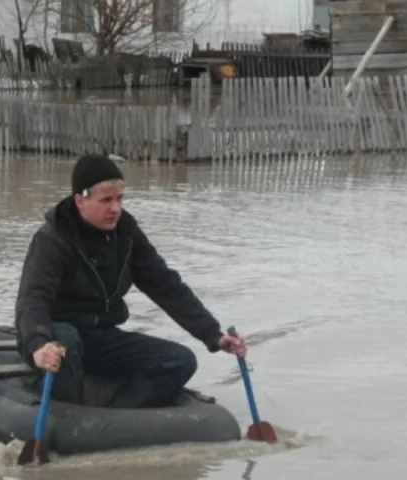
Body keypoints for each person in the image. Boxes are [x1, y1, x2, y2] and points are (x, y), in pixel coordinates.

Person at [13, 153, 247, 408]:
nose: (115, 208)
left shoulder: (127, 233)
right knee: (65, 342)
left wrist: (213, 335)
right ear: (80, 200)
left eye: (120, 199)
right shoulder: (52, 239)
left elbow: (166, 285)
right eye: (106, 200)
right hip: (59, 336)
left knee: (181, 360)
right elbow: (33, 299)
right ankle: (58, 399)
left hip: (103, 337)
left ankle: (117, 412)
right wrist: (38, 344)